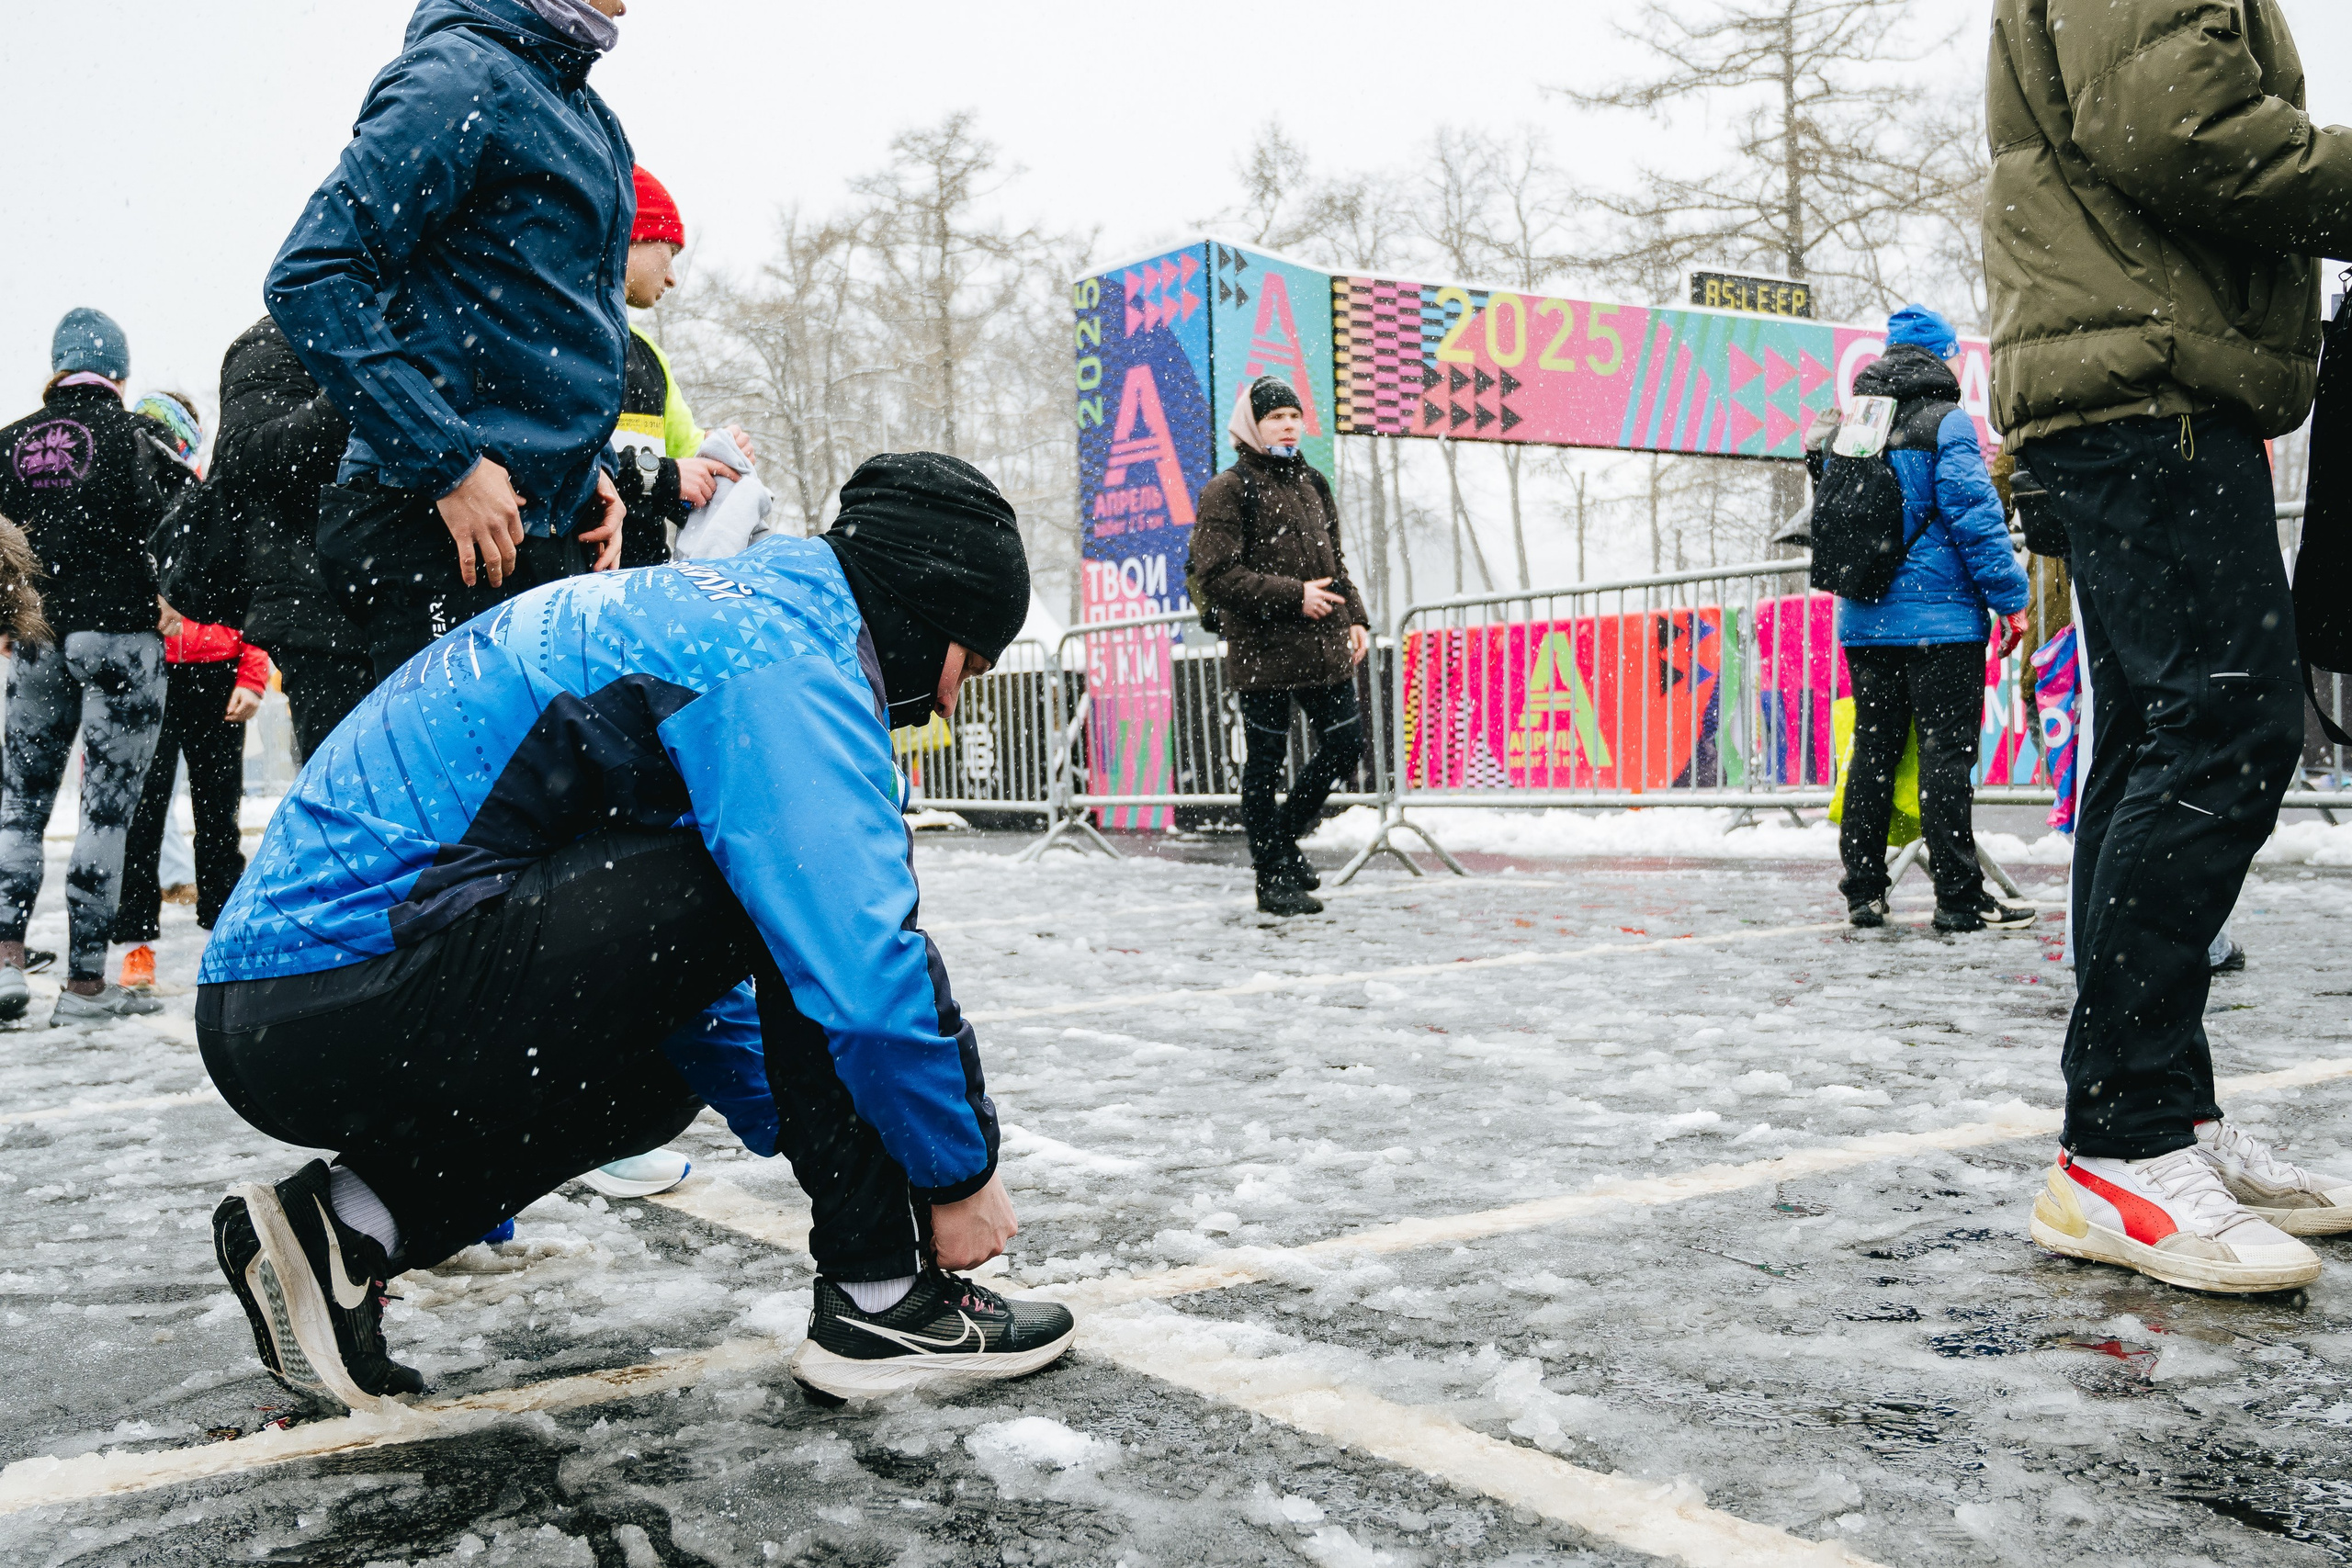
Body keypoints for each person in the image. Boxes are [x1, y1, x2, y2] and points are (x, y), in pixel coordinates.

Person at [198, 452, 1074, 1412]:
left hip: (297, 1004)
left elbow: (716, 1000)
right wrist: (954, 1176)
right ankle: (884, 1305)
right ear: (919, 612)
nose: (947, 702)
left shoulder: (727, 615)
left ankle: (343, 1229)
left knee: (657, 1079)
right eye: (966, 665)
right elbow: (856, 963)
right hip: (341, 985)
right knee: (780, 901)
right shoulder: (778, 657)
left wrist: (867, 1158)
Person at [1988, 0, 2352, 1293]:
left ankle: (2162, 1120)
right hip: (2148, 385)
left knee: (2159, 737)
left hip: (2143, 375)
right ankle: (2122, 1139)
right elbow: (2178, 124)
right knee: (2225, 724)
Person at [266, 0, 633, 684]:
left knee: (545, 791)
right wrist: (448, 463)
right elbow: (313, 274)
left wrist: (592, 466)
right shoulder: (458, 78)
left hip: (544, 529)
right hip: (442, 529)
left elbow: (559, 313)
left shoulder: (592, 116)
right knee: (457, 790)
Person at [0, 310, 182, 1025]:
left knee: (18, 808)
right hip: (119, 637)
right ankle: (82, 987)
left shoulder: (7, 445)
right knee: (105, 812)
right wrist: (176, 598)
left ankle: (6, 965)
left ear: (57, 369)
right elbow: (187, 526)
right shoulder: (138, 436)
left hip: (37, 640)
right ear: (117, 373)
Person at [1832, 305, 2034, 935]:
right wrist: (2011, 598)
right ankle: (1955, 896)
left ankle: (1864, 890)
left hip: (1866, 619)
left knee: (1874, 750)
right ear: (1941, 357)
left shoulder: (1857, 418)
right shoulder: (1947, 422)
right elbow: (1976, 519)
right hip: (1941, 623)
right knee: (1947, 757)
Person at [1188, 376, 1370, 916]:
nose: (1288, 424)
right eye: (1275, 417)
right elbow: (1216, 573)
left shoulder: (1313, 481)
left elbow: (1335, 563)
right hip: (1263, 650)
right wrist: (1294, 597)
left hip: (1322, 644)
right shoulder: (1229, 487)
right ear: (1252, 426)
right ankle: (1272, 879)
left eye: (1294, 415)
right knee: (1264, 766)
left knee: (1347, 744)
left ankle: (1281, 843)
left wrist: (1356, 617)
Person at [214, 317, 366, 761]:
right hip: (324, 614)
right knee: (345, 791)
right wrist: (363, 389)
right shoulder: (278, 339)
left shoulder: (427, 316)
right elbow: (244, 459)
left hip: (414, 597)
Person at [609, 164, 757, 571]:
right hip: (565, 590)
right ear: (629, 236)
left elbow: (685, 458)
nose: (673, 278)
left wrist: (719, 453)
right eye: (670, 252)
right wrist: (668, 476)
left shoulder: (650, 356)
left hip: (643, 589)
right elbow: (556, 465)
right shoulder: (555, 341)